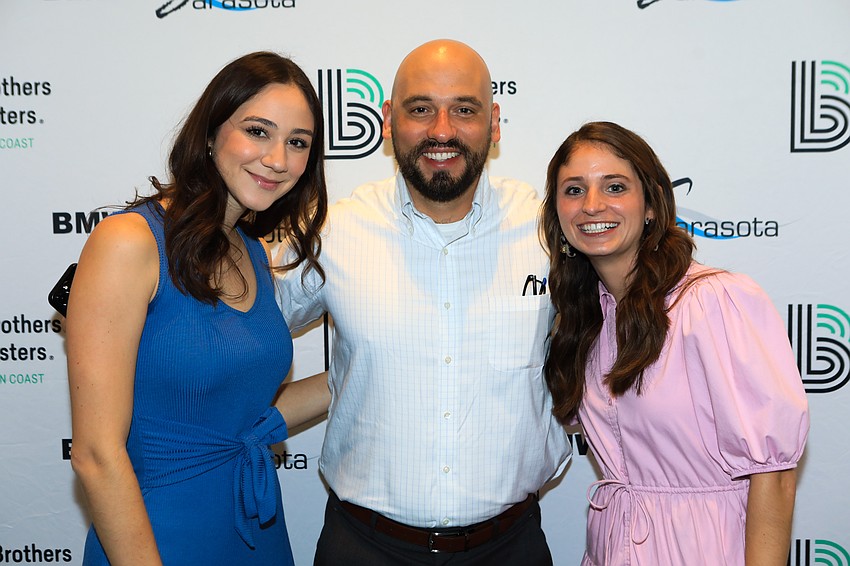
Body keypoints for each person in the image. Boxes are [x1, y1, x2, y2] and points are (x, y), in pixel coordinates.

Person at [274, 39, 571, 565]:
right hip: (362, 547)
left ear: (494, 123)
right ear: (388, 121)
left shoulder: (550, 231)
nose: (442, 130)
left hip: (511, 547)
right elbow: (236, 328)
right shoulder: (332, 232)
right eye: (420, 109)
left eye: (464, 109)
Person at [65, 51, 328, 565]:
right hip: (157, 538)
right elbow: (96, 455)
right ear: (209, 134)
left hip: (254, 529)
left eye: (298, 142)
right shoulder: (130, 241)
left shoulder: (251, 250)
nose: (278, 159)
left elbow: (248, 419)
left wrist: (377, 362)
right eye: (258, 131)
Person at [540, 121, 809, 565]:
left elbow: (774, 475)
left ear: (650, 205)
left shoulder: (712, 302)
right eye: (574, 190)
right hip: (612, 549)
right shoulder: (586, 319)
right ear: (557, 212)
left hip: (704, 549)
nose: (592, 205)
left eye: (614, 186)